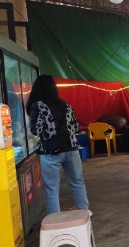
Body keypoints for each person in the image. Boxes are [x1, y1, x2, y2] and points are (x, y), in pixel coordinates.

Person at [26, 75, 89, 215]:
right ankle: (85, 214)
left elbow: (36, 130)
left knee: (52, 189)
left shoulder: (38, 106)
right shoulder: (66, 105)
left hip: (50, 152)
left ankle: (55, 220)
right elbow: (76, 126)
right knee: (77, 182)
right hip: (71, 149)